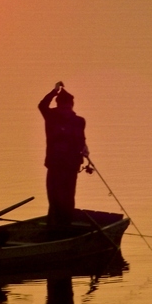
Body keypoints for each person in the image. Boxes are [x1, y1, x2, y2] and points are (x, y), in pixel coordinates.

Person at [38, 82, 89, 230]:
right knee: (65, 197)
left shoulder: (53, 117)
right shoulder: (75, 120)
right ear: (70, 104)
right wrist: (84, 149)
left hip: (60, 166)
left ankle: (57, 227)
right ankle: (63, 226)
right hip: (64, 166)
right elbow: (81, 141)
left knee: (57, 198)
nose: (67, 109)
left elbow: (81, 141)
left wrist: (54, 91)